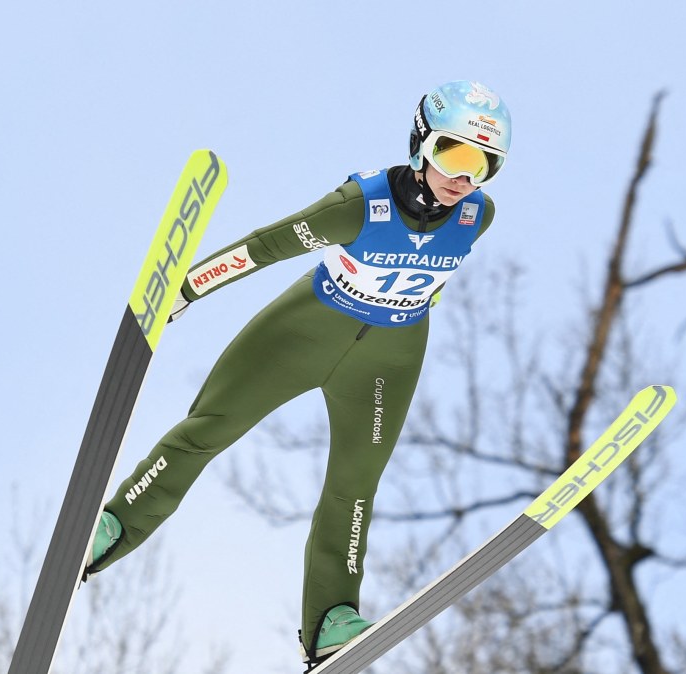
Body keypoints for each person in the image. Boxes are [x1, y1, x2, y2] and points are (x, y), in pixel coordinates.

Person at [83, 80, 511, 665]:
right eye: (453, 154)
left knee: (355, 488)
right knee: (209, 428)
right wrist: (184, 287)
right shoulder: (359, 206)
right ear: (420, 145)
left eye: (483, 165)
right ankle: (113, 525)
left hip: (388, 359)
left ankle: (331, 618)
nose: (463, 178)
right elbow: (268, 246)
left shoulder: (476, 218)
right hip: (304, 333)